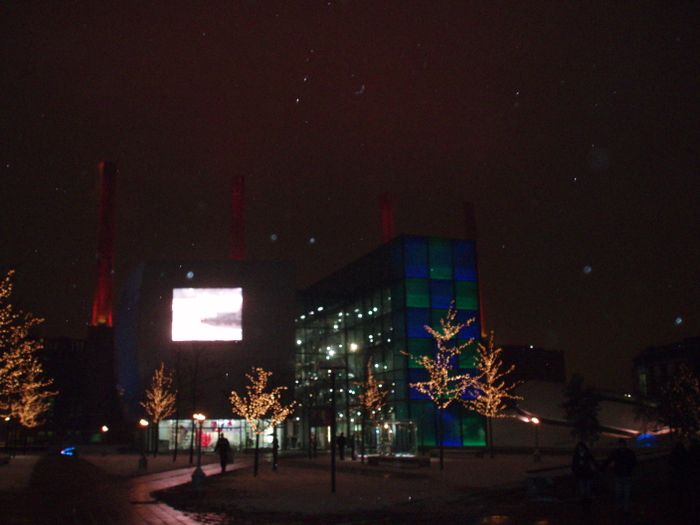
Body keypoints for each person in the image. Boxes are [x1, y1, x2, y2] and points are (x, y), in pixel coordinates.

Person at [603, 438, 636, 513]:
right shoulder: (616, 452)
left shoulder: (629, 452)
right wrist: (601, 467)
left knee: (626, 494)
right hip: (619, 475)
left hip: (626, 475)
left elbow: (634, 462)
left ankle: (625, 508)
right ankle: (620, 506)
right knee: (619, 493)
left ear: (624, 445)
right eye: (621, 444)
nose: (621, 446)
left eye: (622, 444)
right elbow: (608, 460)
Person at [572, 441, 598, 511]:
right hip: (582, 475)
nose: (581, 449)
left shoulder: (584, 455)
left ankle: (587, 505)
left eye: (581, 448)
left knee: (587, 490)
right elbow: (574, 465)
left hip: (587, 475)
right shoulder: (578, 456)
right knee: (583, 490)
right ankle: (585, 505)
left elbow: (593, 462)